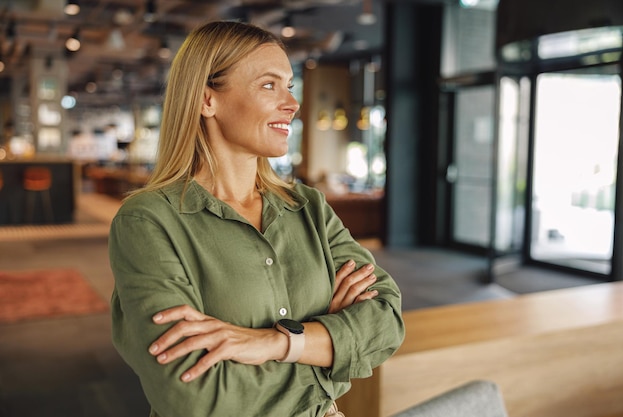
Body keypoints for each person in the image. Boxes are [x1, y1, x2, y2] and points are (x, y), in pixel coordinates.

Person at [108, 20, 405, 417]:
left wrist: (274, 344)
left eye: (290, 85)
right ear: (206, 100)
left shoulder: (308, 208)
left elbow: (386, 321)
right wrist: (328, 347)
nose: (293, 103)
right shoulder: (148, 222)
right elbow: (195, 397)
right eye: (269, 85)